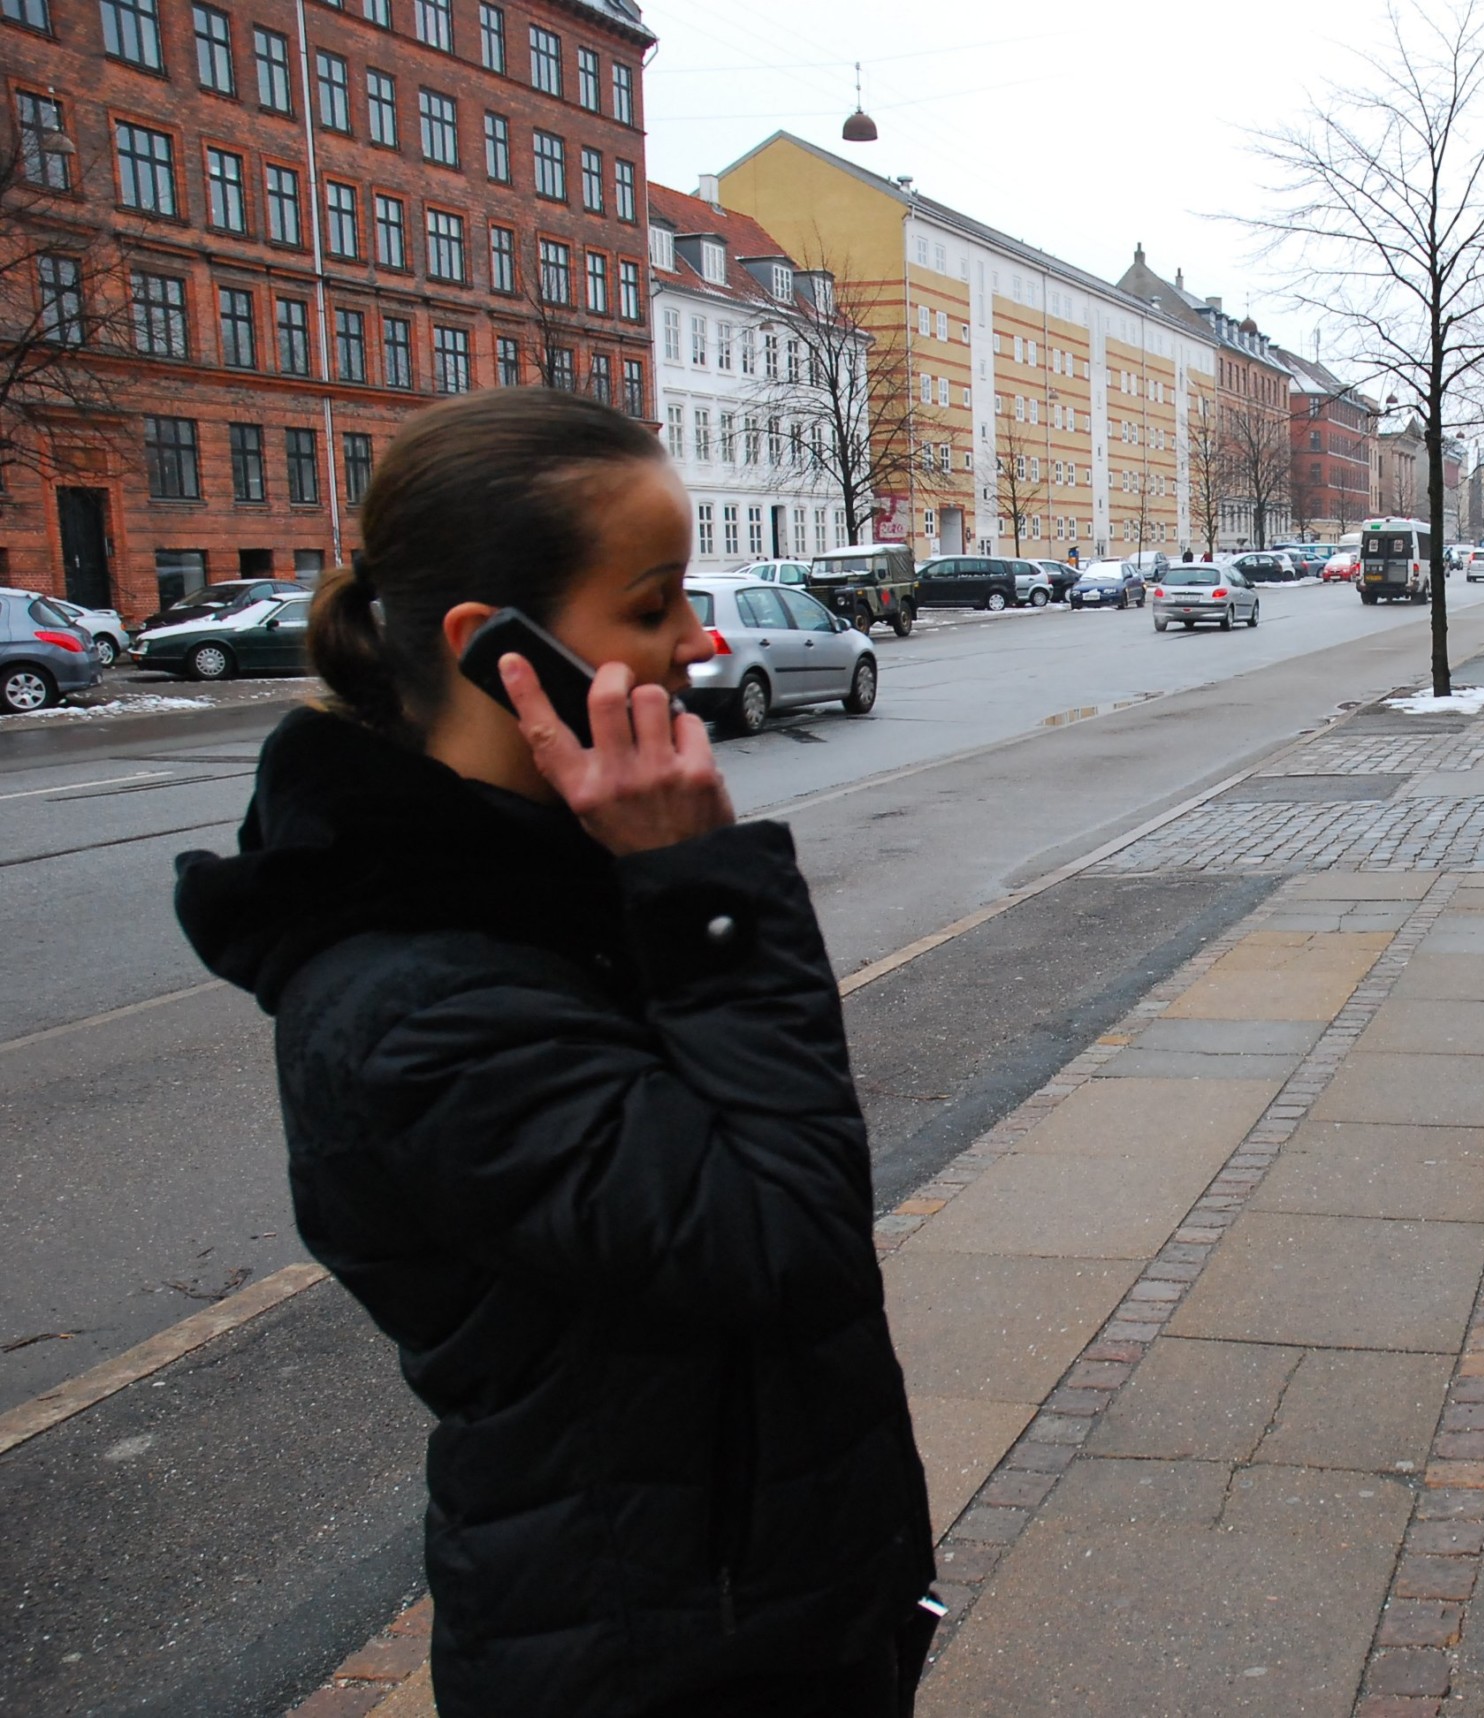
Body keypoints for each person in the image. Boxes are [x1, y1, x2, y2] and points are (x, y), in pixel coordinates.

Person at [173, 390, 937, 1718]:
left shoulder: (558, 889)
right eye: (653, 604)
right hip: (650, 1660)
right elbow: (782, 1234)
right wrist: (705, 887)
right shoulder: (420, 1001)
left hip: (752, 1607)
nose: (701, 640)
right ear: (493, 649)